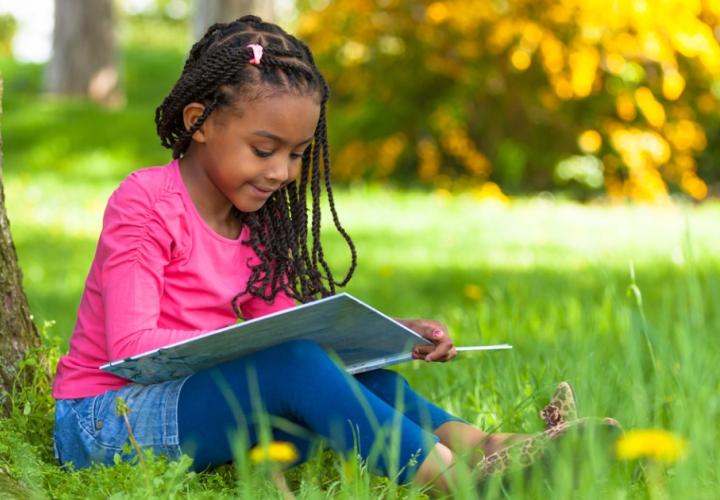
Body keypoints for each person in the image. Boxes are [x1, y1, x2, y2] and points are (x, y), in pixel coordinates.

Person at [51, 15, 604, 494]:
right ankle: (458, 484)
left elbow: (293, 332)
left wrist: (389, 334)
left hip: (208, 404)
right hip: (107, 417)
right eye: (264, 150)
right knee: (294, 364)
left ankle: (489, 447)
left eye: (296, 155)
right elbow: (130, 346)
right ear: (200, 121)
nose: (282, 172)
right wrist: (271, 355)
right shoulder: (146, 202)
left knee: (349, 374)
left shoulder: (263, 222)